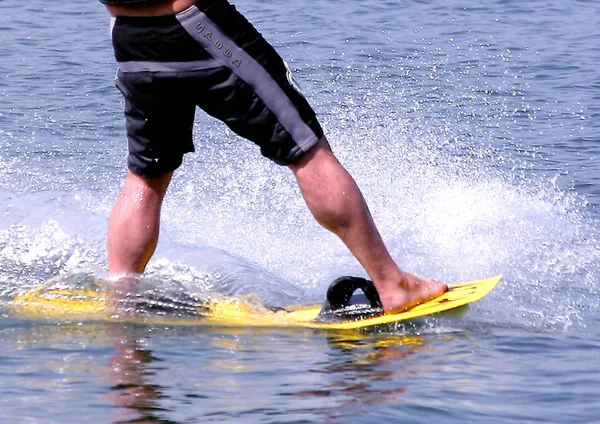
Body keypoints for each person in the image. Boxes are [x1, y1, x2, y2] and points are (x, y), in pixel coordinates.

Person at [101, 0, 447, 312]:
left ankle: (120, 297)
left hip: (130, 36)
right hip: (199, 26)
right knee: (307, 151)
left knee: (146, 177)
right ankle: (392, 285)